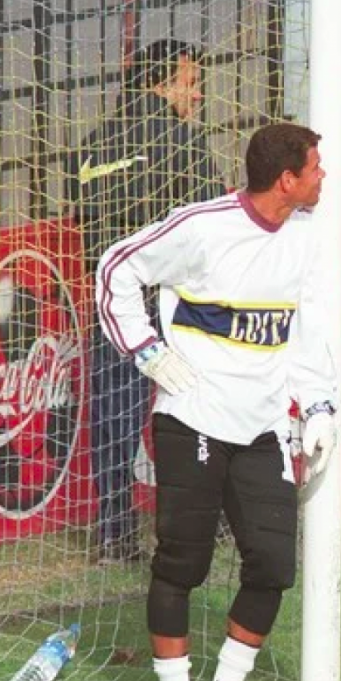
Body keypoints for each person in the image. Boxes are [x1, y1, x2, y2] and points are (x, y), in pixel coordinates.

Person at [94, 122, 338, 681]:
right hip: (192, 418)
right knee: (184, 561)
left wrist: (318, 408)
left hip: (261, 427)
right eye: (316, 168)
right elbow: (115, 266)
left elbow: (301, 332)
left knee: (273, 563)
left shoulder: (306, 237)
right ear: (287, 180)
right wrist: (145, 350)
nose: (323, 177)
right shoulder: (202, 227)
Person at [69, 40, 226, 564]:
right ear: (160, 84)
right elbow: (212, 220)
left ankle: (114, 533)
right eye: (191, 81)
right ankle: (205, 520)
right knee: (195, 408)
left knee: (113, 416)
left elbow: (84, 221)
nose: (198, 94)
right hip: (168, 302)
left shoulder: (91, 146)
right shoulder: (181, 139)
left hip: (111, 299)